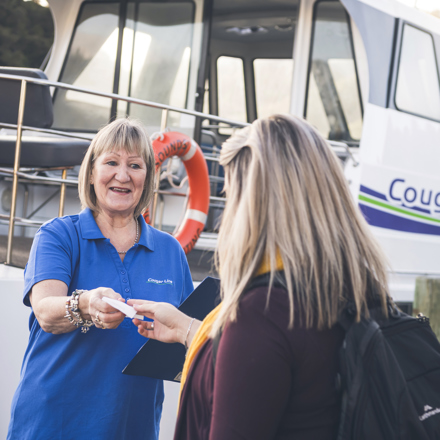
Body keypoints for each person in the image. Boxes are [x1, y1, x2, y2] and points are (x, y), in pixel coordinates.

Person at [129, 114, 390, 440]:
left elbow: (257, 353)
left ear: (255, 205)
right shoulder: (355, 290)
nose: (225, 219)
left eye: (231, 196)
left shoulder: (260, 316)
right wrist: (186, 329)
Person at [7, 118, 193, 440]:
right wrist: (86, 305)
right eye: (111, 162)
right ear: (92, 173)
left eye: (135, 165)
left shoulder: (171, 251)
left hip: (132, 429)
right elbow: (46, 310)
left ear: (147, 177)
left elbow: (190, 335)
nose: (123, 175)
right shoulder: (59, 235)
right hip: (52, 426)